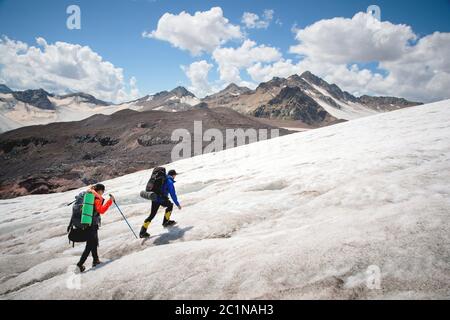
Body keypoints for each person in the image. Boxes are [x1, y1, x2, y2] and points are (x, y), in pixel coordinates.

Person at [76, 183, 114, 272]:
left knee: (94, 243)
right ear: (100, 190)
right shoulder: (96, 198)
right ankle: (79, 264)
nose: (102, 193)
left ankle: (95, 260)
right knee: (89, 245)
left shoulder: (91, 195)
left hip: (90, 224)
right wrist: (110, 201)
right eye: (102, 191)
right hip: (91, 225)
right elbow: (101, 210)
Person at [139, 169, 181, 238]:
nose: (175, 176)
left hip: (155, 197)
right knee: (170, 205)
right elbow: (173, 194)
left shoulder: (163, 179)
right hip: (160, 199)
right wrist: (177, 204)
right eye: (175, 175)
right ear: (173, 175)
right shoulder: (169, 181)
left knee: (152, 215)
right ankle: (166, 222)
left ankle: (142, 231)